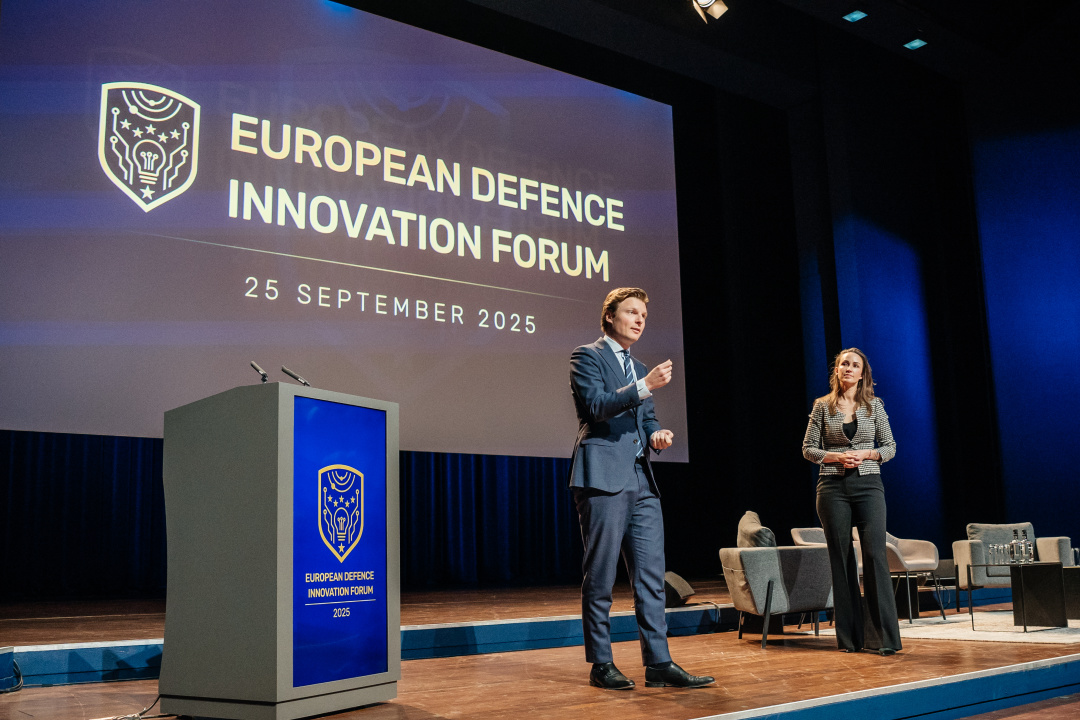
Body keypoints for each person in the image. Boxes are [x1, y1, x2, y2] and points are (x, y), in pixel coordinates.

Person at [568, 287, 714, 690]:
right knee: (600, 575)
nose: (639, 320)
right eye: (632, 312)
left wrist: (656, 434)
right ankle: (601, 663)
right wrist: (644, 385)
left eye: (644, 316)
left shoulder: (639, 367)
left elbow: (647, 420)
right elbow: (596, 407)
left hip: (640, 478)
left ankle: (659, 663)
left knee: (650, 576)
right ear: (609, 316)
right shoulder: (586, 356)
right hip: (601, 474)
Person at [802, 347, 901, 655]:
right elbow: (808, 449)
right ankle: (850, 639)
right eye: (844, 363)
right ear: (837, 370)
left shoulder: (875, 406)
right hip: (832, 487)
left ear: (862, 374)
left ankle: (883, 639)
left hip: (868, 485)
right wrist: (835, 456)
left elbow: (890, 447)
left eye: (855, 365)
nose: (848, 368)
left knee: (874, 554)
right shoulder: (822, 405)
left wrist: (867, 453)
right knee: (841, 559)